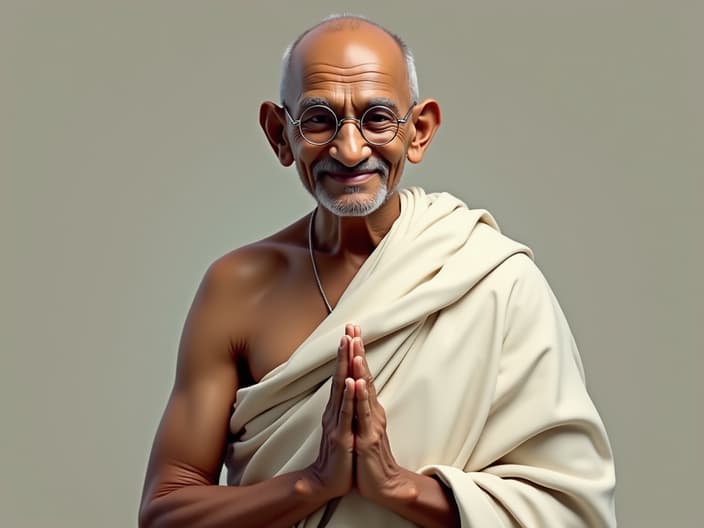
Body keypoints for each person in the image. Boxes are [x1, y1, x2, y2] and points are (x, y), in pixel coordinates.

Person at [139, 14, 616, 528]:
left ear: (419, 131)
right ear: (280, 135)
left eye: (377, 118)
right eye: (319, 119)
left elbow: (573, 511)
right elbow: (167, 512)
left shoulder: (495, 280)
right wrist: (312, 482)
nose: (349, 150)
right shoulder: (236, 289)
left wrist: (396, 485)